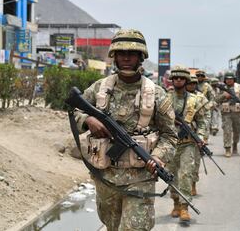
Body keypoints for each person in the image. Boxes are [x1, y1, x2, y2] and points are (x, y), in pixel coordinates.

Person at [73, 29, 177, 231]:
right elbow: (75, 109)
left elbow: (170, 136)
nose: (127, 58)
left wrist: (158, 157)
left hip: (141, 178)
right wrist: (88, 120)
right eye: (122, 53)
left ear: (141, 57)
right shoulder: (99, 88)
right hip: (105, 177)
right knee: (111, 227)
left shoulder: (156, 94)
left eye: (132, 53)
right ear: (114, 56)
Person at [167, 66, 206, 223]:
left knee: (186, 174)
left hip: (188, 143)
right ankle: (176, 203)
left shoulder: (194, 100)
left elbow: (202, 121)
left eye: (181, 78)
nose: (178, 80)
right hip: (169, 143)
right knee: (171, 174)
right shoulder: (164, 98)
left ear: (186, 80)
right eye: (175, 78)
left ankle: (184, 207)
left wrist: (201, 136)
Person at [216, 71, 240, 157]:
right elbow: (216, 99)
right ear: (225, 80)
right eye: (227, 79)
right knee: (227, 130)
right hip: (226, 112)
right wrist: (224, 96)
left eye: (231, 79)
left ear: (234, 79)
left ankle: (235, 144)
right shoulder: (221, 88)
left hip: (237, 112)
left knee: (237, 130)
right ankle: (227, 148)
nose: (229, 81)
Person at [185, 74, 209, 197]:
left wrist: (203, 136)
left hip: (194, 135)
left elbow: (205, 118)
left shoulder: (200, 98)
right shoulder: (178, 96)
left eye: (194, 83)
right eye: (189, 83)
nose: (191, 85)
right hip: (178, 137)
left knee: (194, 162)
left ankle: (193, 184)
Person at [195, 69, 214, 144]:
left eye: (201, 76)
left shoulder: (207, 87)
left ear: (204, 77)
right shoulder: (192, 84)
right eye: (198, 76)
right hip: (193, 109)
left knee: (205, 126)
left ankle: (204, 142)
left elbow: (212, 99)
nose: (199, 77)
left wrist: (207, 107)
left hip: (204, 110)